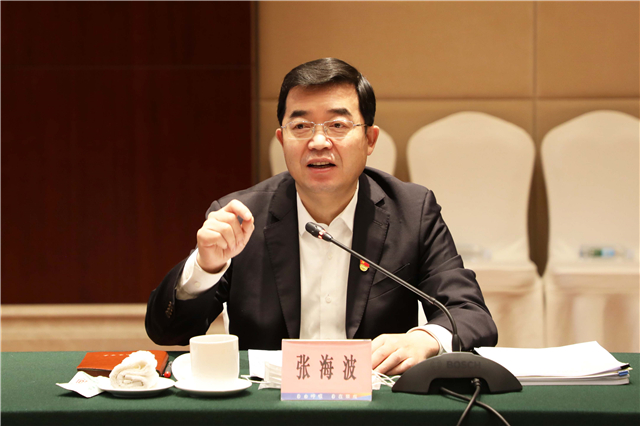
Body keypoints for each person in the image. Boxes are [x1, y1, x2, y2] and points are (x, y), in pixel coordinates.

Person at [146, 58, 497, 375]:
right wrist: (204, 268)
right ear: (282, 139)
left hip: (376, 405)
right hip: (270, 407)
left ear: (370, 139)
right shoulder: (240, 218)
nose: (318, 142)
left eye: (337, 125)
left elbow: (470, 315)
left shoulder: (412, 211)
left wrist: (425, 338)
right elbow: (168, 332)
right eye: (301, 127)